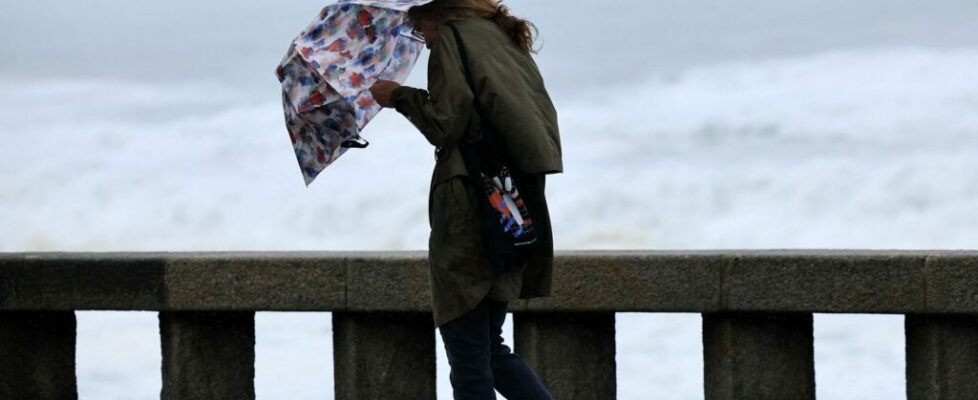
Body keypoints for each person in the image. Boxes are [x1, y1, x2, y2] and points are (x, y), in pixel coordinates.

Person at [370, 0, 562, 399]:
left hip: (470, 211)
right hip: (510, 206)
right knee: (491, 351)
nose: (421, 39)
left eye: (419, 26)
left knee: (471, 362)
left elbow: (446, 122)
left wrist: (398, 96)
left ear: (438, 11)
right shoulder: (499, 35)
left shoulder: (452, 40)